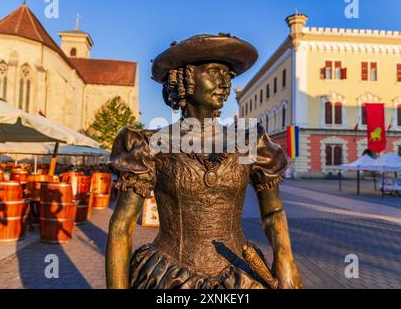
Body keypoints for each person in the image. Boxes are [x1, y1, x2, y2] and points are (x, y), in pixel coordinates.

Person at [106, 34, 302, 289]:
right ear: (184, 78)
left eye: (227, 76)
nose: (224, 84)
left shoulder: (248, 143)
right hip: (170, 278)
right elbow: (122, 226)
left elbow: (273, 210)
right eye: (213, 72)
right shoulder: (150, 145)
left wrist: (285, 260)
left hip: (239, 276)